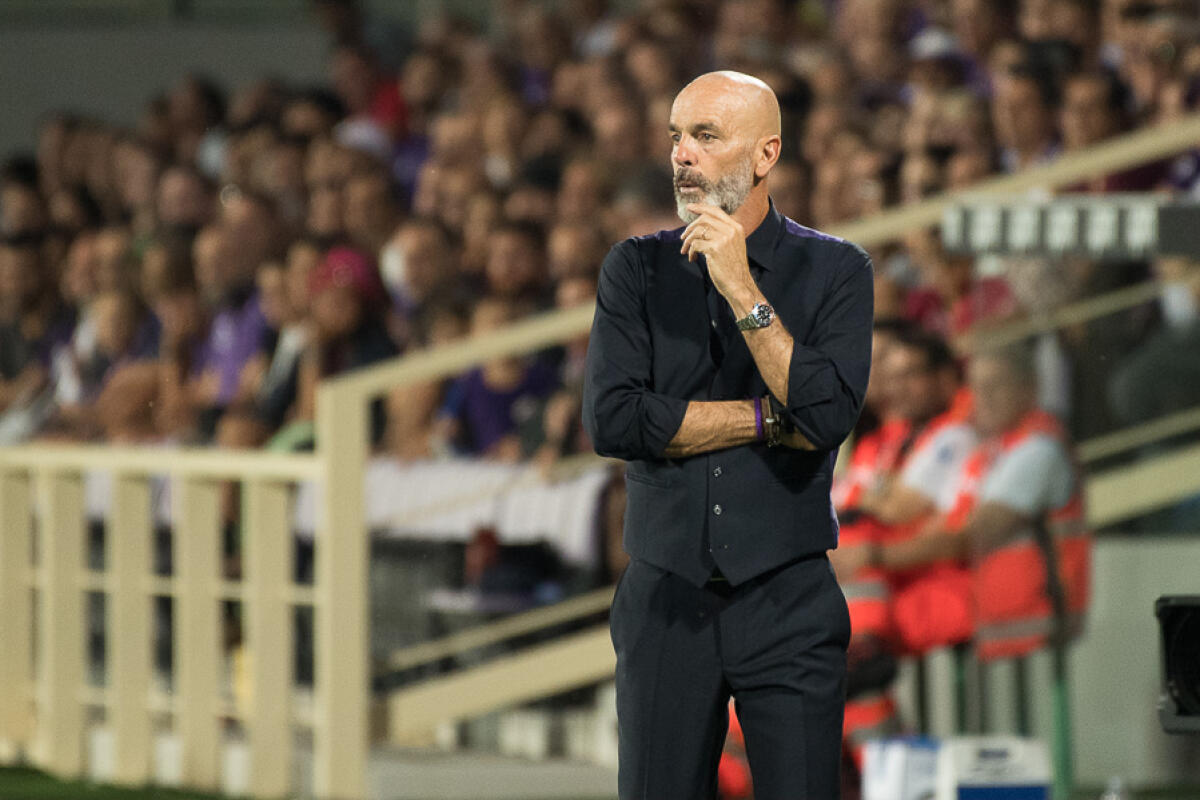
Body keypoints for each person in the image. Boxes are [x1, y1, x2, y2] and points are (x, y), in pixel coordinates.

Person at [583, 71, 873, 799]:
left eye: (705, 136)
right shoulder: (635, 268)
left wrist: (743, 287)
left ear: (766, 153)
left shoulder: (837, 269)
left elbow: (827, 416)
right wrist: (768, 418)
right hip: (664, 600)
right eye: (676, 136)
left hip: (790, 597)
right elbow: (616, 420)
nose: (681, 154)